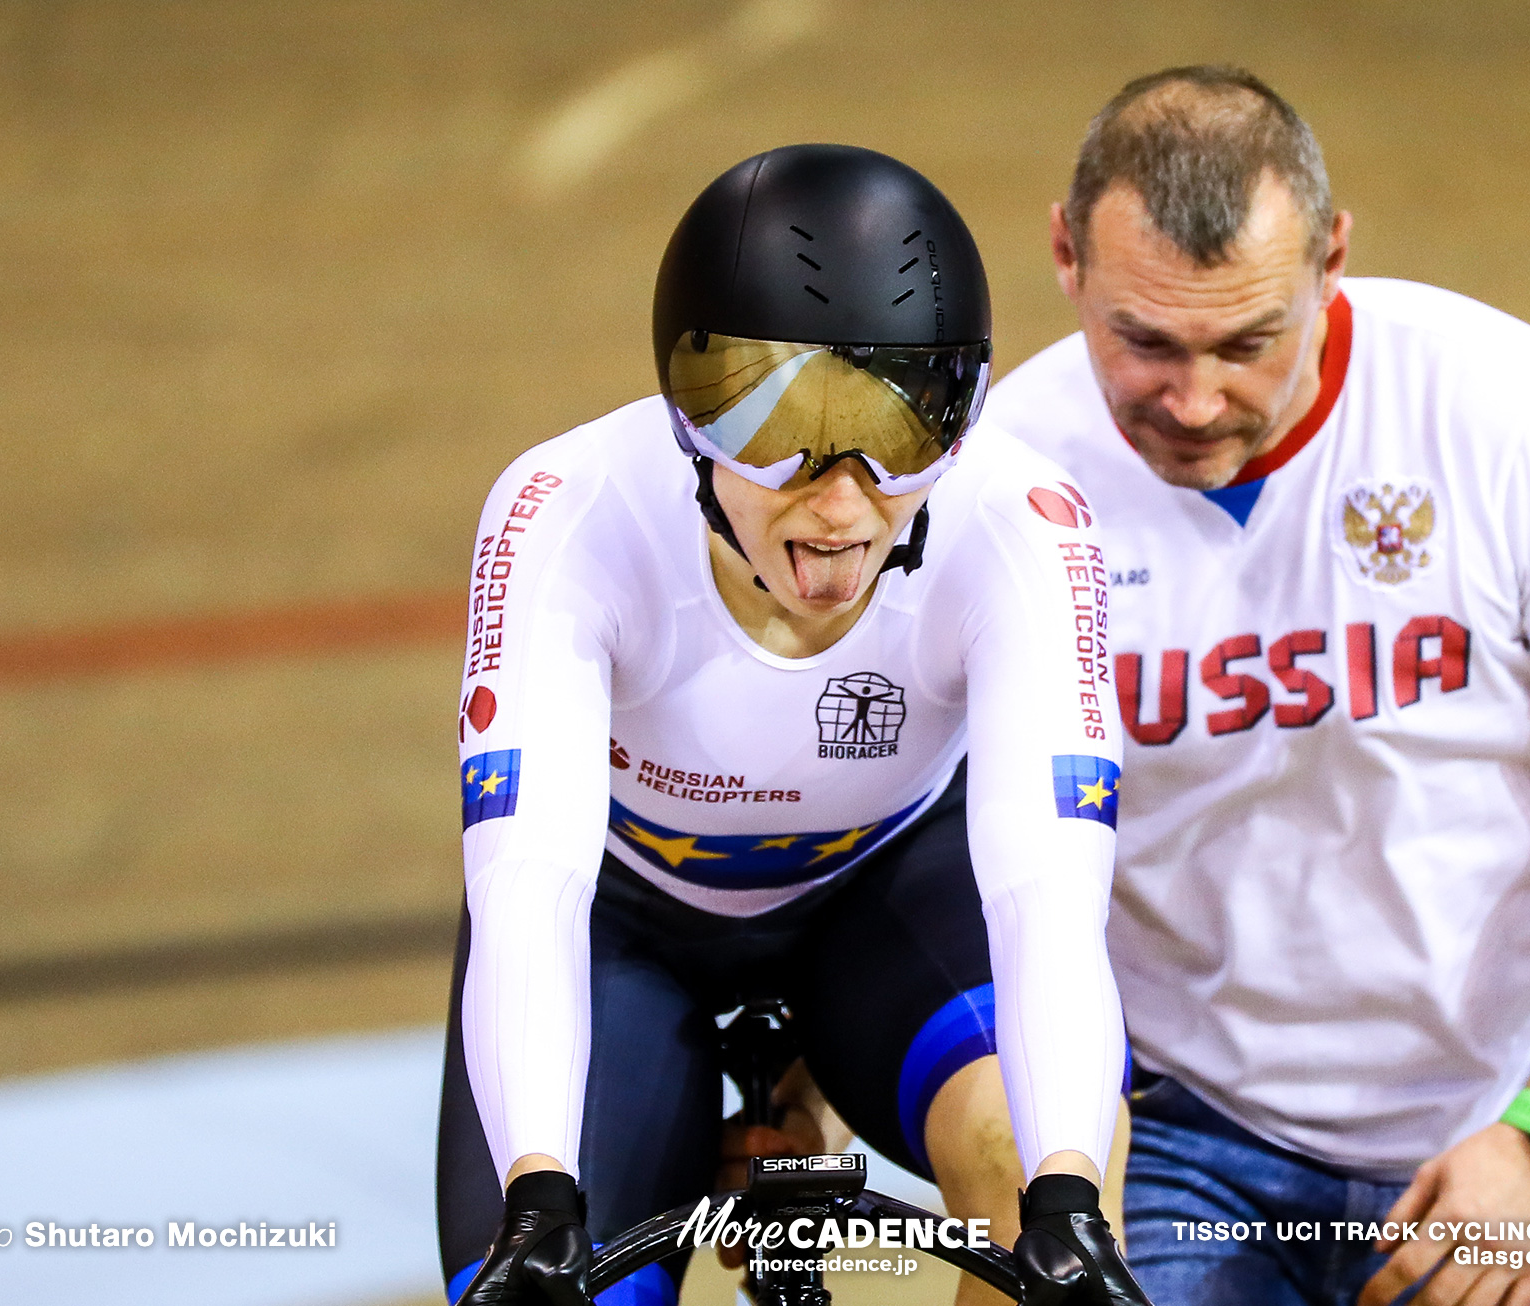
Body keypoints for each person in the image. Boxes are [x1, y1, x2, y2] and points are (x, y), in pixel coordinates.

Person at [985, 66, 1530, 1306]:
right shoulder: (1004, 475)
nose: (1193, 402)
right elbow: (902, 814)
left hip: (1516, 1123)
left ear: (1333, 257)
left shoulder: (1513, 421)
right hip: (1190, 1132)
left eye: (1248, 342)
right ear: (1065, 256)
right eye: (1144, 343)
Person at [436, 144, 1149, 1306]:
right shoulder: (565, 513)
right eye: (777, 433)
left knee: (1050, 1185)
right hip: (622, 926)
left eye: (900, 437)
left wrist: (1067, 1202)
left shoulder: (1023, 522)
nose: (841, 502)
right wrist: (540, 1194)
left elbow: (1046, 895)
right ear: (688, 416)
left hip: (884, 900)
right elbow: (530, 885)